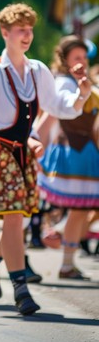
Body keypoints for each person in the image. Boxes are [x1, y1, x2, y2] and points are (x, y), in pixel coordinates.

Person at [0, 3, 91, 316]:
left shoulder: (37, 70)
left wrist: (83, 94)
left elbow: (59, 106)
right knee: (14, 217)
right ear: (5, 33)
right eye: (21, 30)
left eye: (30, 29)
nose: (27, 35)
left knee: (16, 218)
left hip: (22, 152)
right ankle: (21, 288)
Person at [37, 35, 99, 279]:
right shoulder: (63, 83)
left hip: (86, 153)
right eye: (76, 57)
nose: (81, 62)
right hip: (72, 152)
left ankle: (65, 255)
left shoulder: (84, 82)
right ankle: (64, 260)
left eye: (84, 57)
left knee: (81, 210)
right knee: (78, 209)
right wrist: (34, 145)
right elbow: (52, 115)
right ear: (65, 60)